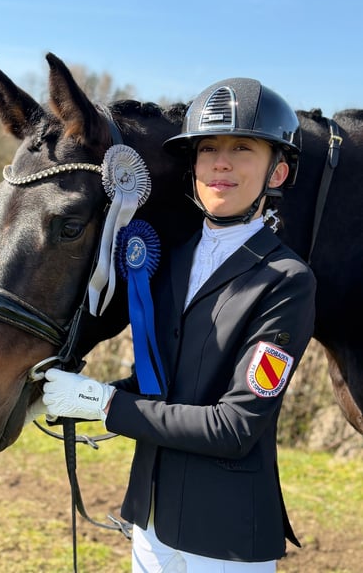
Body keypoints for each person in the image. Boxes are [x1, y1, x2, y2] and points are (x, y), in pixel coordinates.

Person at [30, 78, 317, 572]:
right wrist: (75, 395)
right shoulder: (170, 260)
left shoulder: (286, 280)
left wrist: (106, 406)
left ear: (278, 171)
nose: (221, 163)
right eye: (208, 150)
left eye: (242, 148)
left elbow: (235, 426)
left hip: (224, 535)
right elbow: (160, 383)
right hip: (151, 519)